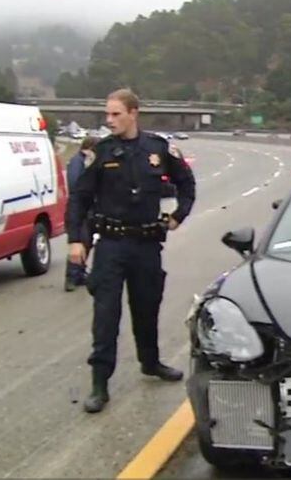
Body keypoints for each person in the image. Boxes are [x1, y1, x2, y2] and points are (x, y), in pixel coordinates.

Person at [66, 89, 197, 414]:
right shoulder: (102, 152)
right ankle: (99, 384)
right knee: (106, 316)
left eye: (115, 114)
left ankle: (150, 363)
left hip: (147, 244)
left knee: (147, 308)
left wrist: (179, 215)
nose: (109, 120)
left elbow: (187, 184)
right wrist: (75, 240)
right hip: (111, 244)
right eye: (107, 115)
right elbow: (79, 199)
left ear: (133, 113)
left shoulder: (158, 148)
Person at [64, 136, 98, 292]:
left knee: (87, 242)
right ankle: (71, 276)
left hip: (88, 209)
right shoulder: (78, 162)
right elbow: (75, 184)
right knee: (81, 242)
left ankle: (79, 273)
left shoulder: (84, 160)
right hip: (80, 210)